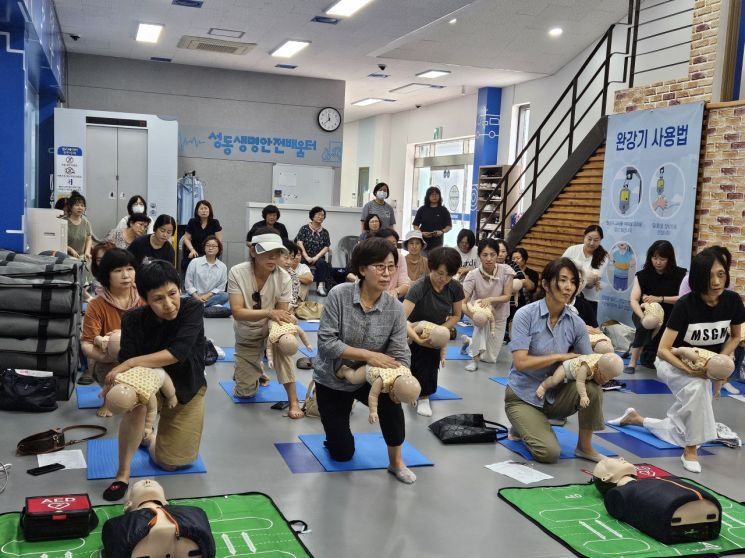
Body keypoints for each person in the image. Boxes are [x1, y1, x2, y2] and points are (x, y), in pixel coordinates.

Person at [608, 249, 745, 473]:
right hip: (672, 361)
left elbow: (737, 336)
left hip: (704, 364)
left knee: (683, 425)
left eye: (721, 274)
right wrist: (689, 371)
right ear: (699, 278)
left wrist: (721, 358)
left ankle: (636, 419)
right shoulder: (686, 304)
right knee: (698, 389)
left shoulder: (732, 301)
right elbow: (663, 350)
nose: (716, 281)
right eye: (710, 276)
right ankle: (691, 450)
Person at [101, 260, 207, 501]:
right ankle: (122, 473)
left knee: (169, 463)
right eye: (158, 299)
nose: (169, 304)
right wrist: (118, 383)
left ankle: (148, 438)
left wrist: (127, 363)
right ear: (145, 299)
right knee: (129, 400)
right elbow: (129, 371)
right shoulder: (133, 320)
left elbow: (177, 352)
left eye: (172, 294)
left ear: (179, 288)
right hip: (148, 383)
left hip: (186, 387)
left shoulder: (192, 309)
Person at [314, 237, 415, 483]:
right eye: (379, 267)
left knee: (393, 404)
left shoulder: (394, 308)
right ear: (362, 269)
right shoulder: (339, 295)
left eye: (391, 267)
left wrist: (398, 381)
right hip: (332, 380)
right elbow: (326, 344)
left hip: (370, 378)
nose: (386, 273)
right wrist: (370, 355)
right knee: (342, 453)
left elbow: (401, 354)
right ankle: (335, 433)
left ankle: (396, 462)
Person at [504, 258, 604, 463]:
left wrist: (603, 367)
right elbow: (521, 362)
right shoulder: (526, 315)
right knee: (549, 454)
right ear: (546, 284)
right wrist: (560, 356)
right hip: (523, 395)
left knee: (592, 387)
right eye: (563, 280)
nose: (568, 287)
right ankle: (524, 423)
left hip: (555, 394)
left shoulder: (576, 322)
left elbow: (587, 361)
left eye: (573, 282)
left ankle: (584, 447)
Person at [228, 230, 304, 418]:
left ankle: (293, 402)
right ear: (253, 251)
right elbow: (237, 312)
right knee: (245, 393)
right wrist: (269, 312)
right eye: (267, 252)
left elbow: (281, 315)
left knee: (285, 344)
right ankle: (253, 371)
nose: (273, 257)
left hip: (272, 328)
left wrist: (282, 331)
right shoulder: (237, 272)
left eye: (277, 253)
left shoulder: (283, 277)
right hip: (247, 331)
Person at [404, 247, 464, 417]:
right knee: (418, 354)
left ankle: (424, 396)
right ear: (431, 267)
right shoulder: (419, 287)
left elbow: (456, 315)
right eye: (439, 273)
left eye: (448, 275)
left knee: (429, 352)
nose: (443, 279)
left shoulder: (455, 288)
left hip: (435, 330)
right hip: (412, 328)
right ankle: (417, 390)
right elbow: (401, 319)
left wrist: (439, 331)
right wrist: (416, 336)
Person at [80, 249, 144, 395]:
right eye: (118, 270)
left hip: (140, 355)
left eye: (130, 269)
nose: (126, 275)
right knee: (115, 345)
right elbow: (87, 343)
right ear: (107, 275)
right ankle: (109, 395)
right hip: (109, 359)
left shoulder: (144, 298)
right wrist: (106, 356)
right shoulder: (97, 305)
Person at [626, 240, 686, 374]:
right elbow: (634, 300)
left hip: (670, 314)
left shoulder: (681, 275)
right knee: (645, 325)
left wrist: (660, 299)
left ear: (669, 259)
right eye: (654, 258)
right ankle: (632, 362)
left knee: (652, 362)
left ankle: (641, 346)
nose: (657, 262)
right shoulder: (642, 275)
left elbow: (683, 299)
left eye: (662, 259)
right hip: (644, 311)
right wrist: (642, 317)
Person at [461, 238, 515, 371]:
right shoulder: (472, 275)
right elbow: (462, 302)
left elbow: (507, 296)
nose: (489, 259)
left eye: (492, 254)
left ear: (497, 255)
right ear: (479, 256)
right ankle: (474, 357)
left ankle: (469, 341)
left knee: (490, 359)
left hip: (499, 315)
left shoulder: (506, 271)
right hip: (479, 313)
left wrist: (490, 300)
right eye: (485, 255)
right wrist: (473, 315)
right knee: (480, 340)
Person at [562, 225, 608, 324]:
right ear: (584, 236)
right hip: (568, 296)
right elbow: (560, 269)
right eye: (589, 239)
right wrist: (586, 275)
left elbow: (591, 281)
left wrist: (573, 269)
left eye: (596, 240)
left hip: (590, 299)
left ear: (600, 240)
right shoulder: (572, 250)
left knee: (587, 327)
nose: (592, 243)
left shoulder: (603, 256)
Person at [295, 206, 332, 297]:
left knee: (322, 263)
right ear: (312, 216)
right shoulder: (304, 228)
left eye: (323, 215)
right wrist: (306, 257)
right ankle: (295, 283)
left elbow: (326, 247)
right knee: (297, 261)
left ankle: (320, 286)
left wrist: (316, 257)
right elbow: (300, 243)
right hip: (304, 255)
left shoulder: (325, 232)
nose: (321, 217)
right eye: (319, 215)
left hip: (318, 257)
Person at [184, 236, 228, 307]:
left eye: (213, 246)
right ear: (204, 247)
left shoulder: (222, 266)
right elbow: (188, 284)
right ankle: (205, 306)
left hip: (211, 297)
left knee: (225, 296)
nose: (210, 248)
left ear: (219, 249)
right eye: (208, 245)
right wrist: (196, 297)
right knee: (182, 298)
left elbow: (221, 287)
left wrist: (208, 295)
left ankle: (199, 306)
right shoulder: (195, 262)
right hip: (193, 296)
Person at [182, 201, 223, 272]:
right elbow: (186, 238)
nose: (204, 211)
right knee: (190, 266)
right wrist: (192, 250)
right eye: (201, 209)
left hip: (209, 251)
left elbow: (218, 240)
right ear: (197, 211)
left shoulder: (215, 222)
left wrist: (212, 250)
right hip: (194, 251)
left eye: (206, 208)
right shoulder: (192, 222)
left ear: (209, 210)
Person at [412, 187, 452, 251]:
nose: (434, 196)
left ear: (439, 196)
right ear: (428, 196)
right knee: (423, 260)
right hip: (423, 242)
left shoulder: (443, 210)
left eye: (436, 194)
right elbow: (415, 225)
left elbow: (449, 226)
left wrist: (442, 231)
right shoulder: (422, 209)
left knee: (436, 260)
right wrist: (421, 233)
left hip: (437, 243)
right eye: (432, 195)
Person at [64, 191, 93, 276]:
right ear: (70, 207)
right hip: (66, 258)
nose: (80, 208)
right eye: (77, 205)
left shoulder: (86, 222)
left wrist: (87, 252)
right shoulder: (63, 221)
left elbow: (89, 238)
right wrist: (70, 249)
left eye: (82, 205)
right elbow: (57, 241)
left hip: (81, 257)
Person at [375, 229, 409, 299]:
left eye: (394, 244)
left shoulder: (400, 257)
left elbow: (405, 285)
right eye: (388, 244)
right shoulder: (371, 258)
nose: (392, 247)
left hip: (392, 298)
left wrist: (396, 291)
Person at [281, 239, 313, 308]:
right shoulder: (269, 271)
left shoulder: (295, 274)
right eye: (286, 258)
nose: (289, 262)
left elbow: (310, 279)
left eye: (291, 258)